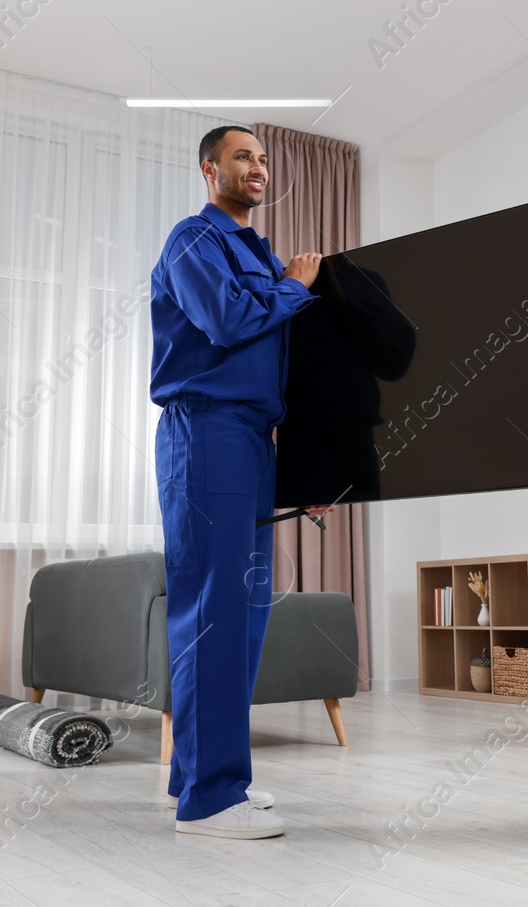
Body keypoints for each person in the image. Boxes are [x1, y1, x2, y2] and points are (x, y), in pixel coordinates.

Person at [149, 124, 332, 840]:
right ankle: (210, 800)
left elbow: (283, 371)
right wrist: (292, 287)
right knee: (215, 611)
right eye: (241, 156)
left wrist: (308, 464)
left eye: (262, 158)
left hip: (254, 440)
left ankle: (193, 778)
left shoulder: (261, 256)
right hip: (206, 430)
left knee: (244, 612)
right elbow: (227, 321)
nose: (256, 167)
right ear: (208, 168)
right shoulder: (194, 241)